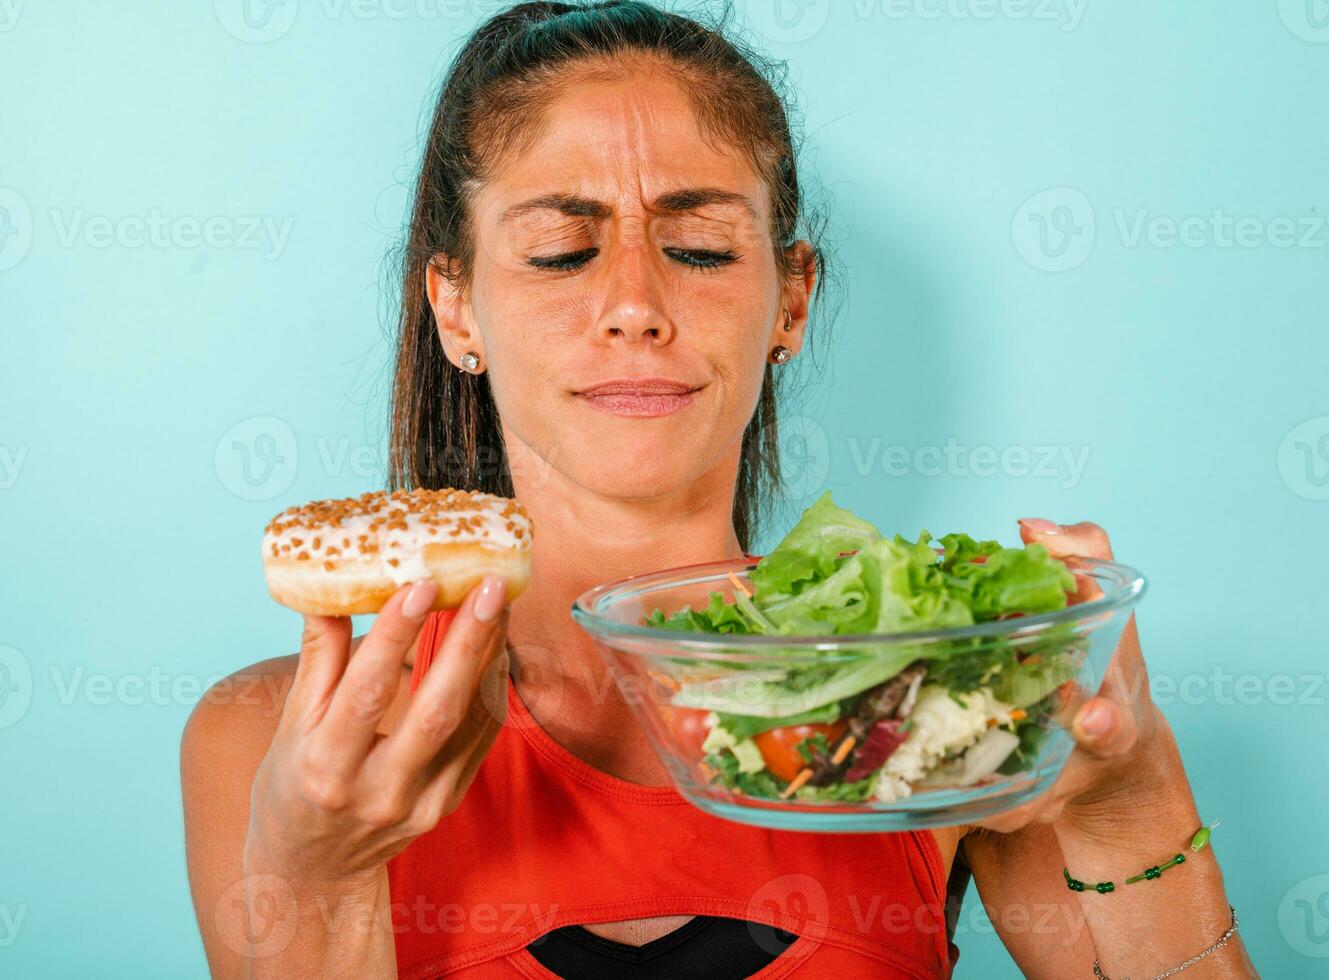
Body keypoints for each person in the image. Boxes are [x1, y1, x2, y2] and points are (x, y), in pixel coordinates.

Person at [181, 3, 1253, 976]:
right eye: (561, 251)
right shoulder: (281, 736)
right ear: (455, 309)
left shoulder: (933, 690)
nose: (635, 304)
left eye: (698, 246)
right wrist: (315, 877)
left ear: (790, 303)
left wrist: (1132, 799)